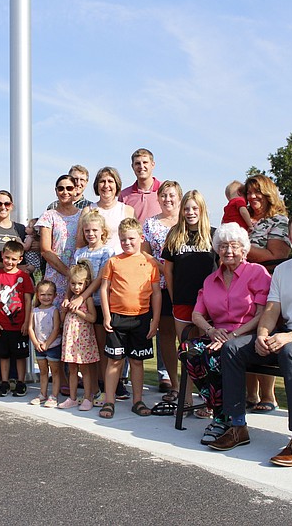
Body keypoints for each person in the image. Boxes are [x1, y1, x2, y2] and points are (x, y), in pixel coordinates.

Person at [209, 211, 292, 464]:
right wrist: (261, 334)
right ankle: (237, 426)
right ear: (290, 238)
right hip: (287, 334)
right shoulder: (282, 270)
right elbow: (271, 310)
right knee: (233, 348)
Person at [180, 223, 271, 445]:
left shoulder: (257, 273)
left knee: (216, 356)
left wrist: (234, 335)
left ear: (244, 249)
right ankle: (217, 407)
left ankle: (223, 419)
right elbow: (196, 315)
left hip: (248, 335)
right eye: (222, 246)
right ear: (216, 249)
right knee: (188, 350)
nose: (228, 251)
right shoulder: (210, 280)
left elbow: (263, 314)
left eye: (234, 246)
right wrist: (211, 331)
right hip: (219, 336)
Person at [160, 190, 218, 406]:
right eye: (186, 208)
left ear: (202, 209)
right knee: (186, 351)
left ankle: (210, 401)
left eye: (195, 208)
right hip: (183, 301)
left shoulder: (214, 235)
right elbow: (168, 272)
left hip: (209, 305)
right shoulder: (174, 234)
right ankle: (185, 398)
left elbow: (222, 270)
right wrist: (175, 299)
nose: (190, 212)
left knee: (208, 353)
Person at [99, 217, 161, 419]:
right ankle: (109, 400)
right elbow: (104, 289)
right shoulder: (113, 262)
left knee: (136, 361)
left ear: (141, 238)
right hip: (117, 319)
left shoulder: (150, 263)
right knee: (114, 361)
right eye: (123, 239)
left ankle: (137, 400)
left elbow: (156, 293)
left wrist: (156, 320)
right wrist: (107, 316)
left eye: (131, 239)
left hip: (141, 319)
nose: (127, 243)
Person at [244, 174, 292, 414]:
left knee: (265, 334)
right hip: (244, 289)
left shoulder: (279, 221)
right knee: (246, 337)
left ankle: (268, 395)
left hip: (270, 287)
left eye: (257, 192)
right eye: (249, 193)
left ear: (268, 193)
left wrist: (241, 247)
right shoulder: (249, 221)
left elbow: (276, 255)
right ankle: (250, 394)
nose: (252, 197)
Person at [69, 210, 114, 406]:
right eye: (87, 230)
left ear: (102, 231)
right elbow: (74, 277)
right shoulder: (80, 252)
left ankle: (105, 388)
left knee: (102, 349)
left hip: (98, 303)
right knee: (89, 351)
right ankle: (92, 388)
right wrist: (70, 299)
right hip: (82, 307)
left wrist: (82, 297)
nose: (91, 234)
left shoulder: (107, 252)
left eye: (94, 230)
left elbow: (100, 279)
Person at [141, 180, 182, 394]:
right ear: (158, 199)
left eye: (172, 195)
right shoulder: (150, 224)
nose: (167, 199)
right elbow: (144, 252)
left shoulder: (188, 222)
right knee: (165, 335)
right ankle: (173, 384)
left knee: (188, 336)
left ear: (179, 198)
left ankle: (193, 383)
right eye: (163, 195)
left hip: (185, 286)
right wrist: (163, 267)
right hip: (162, 286)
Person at [0, 240, 34, 398]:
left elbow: (28, 301)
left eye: (14, 259)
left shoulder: (23, 277)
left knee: (20, 356)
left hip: (19, 324)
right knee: (3, 355)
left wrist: (27, 322)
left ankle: (20, 382)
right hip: (1, 324)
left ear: (20, 259)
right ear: (2, 256)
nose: (9, 262)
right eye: (7, 258)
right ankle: (5, 382)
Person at [58, 260, 99, 411]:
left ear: (86, 283)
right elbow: (63, 321)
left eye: (80, 284)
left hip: (83, 339)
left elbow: (92, 318)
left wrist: (78, 311)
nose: (76, 287)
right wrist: (64, 310)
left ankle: (88, 397)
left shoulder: (86, 299)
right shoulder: (69, 299)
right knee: (72, 369)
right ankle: (73, 398)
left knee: (85, 369)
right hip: (70, 339)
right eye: (73, 284)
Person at [36, 175, 82, 309]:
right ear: (56, 191)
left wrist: (75, 276)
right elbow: (45, 250)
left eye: (69, 188)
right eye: (61, 188)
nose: (65, 192)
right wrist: (68, 273)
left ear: (75, 190)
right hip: (54, 278)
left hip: (78, 280)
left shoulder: (83, 215)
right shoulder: (49, 216)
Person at [79, 166, 135, 255]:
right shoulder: (88, 211)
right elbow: (80, 244)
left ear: (117, 185)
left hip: (120, 262)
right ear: (97, 185)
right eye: (102, 181)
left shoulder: (127, 210)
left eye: (110, 181)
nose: (106, 185)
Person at [28, 280, 63, 408]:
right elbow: (30, 328)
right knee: (43, 371)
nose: (46, 297)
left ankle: (54, 396)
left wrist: (47, 344)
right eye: (43, 294)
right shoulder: (34, 310)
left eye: (49, 294)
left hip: (52, 346)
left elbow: (56, 329)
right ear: (37, 295)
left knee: (55, 372)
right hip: (39, 346)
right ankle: (42, 394)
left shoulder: (54, 310)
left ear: (54, 296)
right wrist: (36, 343)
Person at [119, 148, 162, 224]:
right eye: (137, 163)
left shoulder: (164, 190)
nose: (141, 166)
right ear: (132, 166)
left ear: (153, 165)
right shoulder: (124, 195)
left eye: (145, 162)